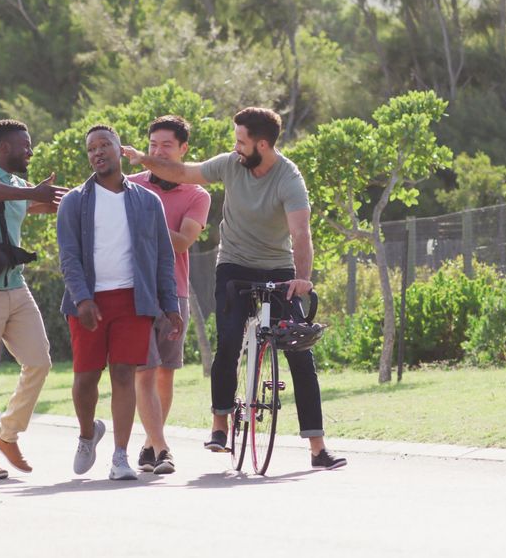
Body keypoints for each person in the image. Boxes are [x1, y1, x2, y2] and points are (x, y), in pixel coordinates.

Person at [122, 107, 348, 470]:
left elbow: (301, 233)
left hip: (279, 268)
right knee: (227, 341)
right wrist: (142, 158)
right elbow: (181, 171)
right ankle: (220, 424)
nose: (235, 147)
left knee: (300, 356)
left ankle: (318, 449)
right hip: (234, 266)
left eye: (241, 142)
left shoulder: (288, 177)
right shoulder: (230, 164)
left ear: (262, 144)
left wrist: (302, 277)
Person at [57, 124, 184, 480]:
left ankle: (120, 456)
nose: (97, 152)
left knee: (125, 375)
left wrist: (169, 305)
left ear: (119, 149)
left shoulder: (147, 201)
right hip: (89, 305)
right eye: (91, 149)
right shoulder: (74, 202)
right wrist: (82, 299)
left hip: (133, 301)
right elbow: (68, 257)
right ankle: (87, 434)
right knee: (85, 379)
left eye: (104, 145)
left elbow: (161, 257)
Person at [0, 119, 68, 480]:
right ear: (5, 148)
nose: (31, 151)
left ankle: (6, 434)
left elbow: (51, 202)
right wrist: (30, 194)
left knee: (39, 361)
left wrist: (97, 190)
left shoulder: (21, 186)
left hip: (16, 289)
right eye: (26, 145)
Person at [127, 116, 211, 475]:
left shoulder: (197, 194)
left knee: (165, 374)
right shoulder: (127, 185)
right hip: (131, 291)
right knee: (142, 372)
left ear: (183, 150)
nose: (157, 152)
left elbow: (183, 241)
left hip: (173, 293)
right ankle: (161, 448)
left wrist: (144, 220)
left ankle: (149, 444)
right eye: (152, 146)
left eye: (166, 146)